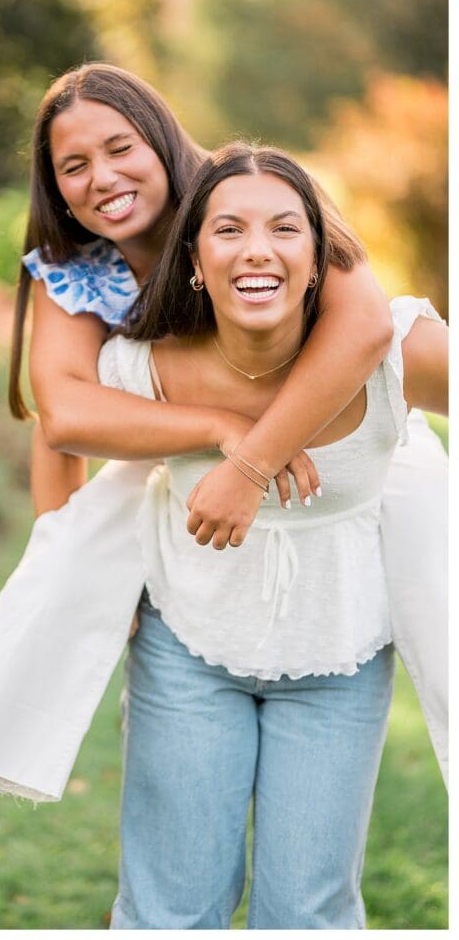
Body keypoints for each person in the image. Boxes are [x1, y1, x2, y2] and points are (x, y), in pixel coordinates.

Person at [0, 66, 447, 893]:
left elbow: (361, 327)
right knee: (83, 530)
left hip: (358, 445)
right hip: (185, 442)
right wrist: (213, 444)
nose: (102, 178)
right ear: (56, 188)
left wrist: (250, 459)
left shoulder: (244, 199)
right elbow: (62, 418)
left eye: (120, 148)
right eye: (74, 167)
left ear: (162, 140)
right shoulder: (75, 269)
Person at [98, 142, 448, 928]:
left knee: (308, 914)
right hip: (188, 648)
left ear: (321, 260)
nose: (257, 250)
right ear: (192, 259)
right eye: (229, 230)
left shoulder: (396, 351)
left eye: (285, 229)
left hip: (341, 656)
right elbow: (71, 440)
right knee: (168, 912)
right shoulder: (143, 362)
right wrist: (87, 587)